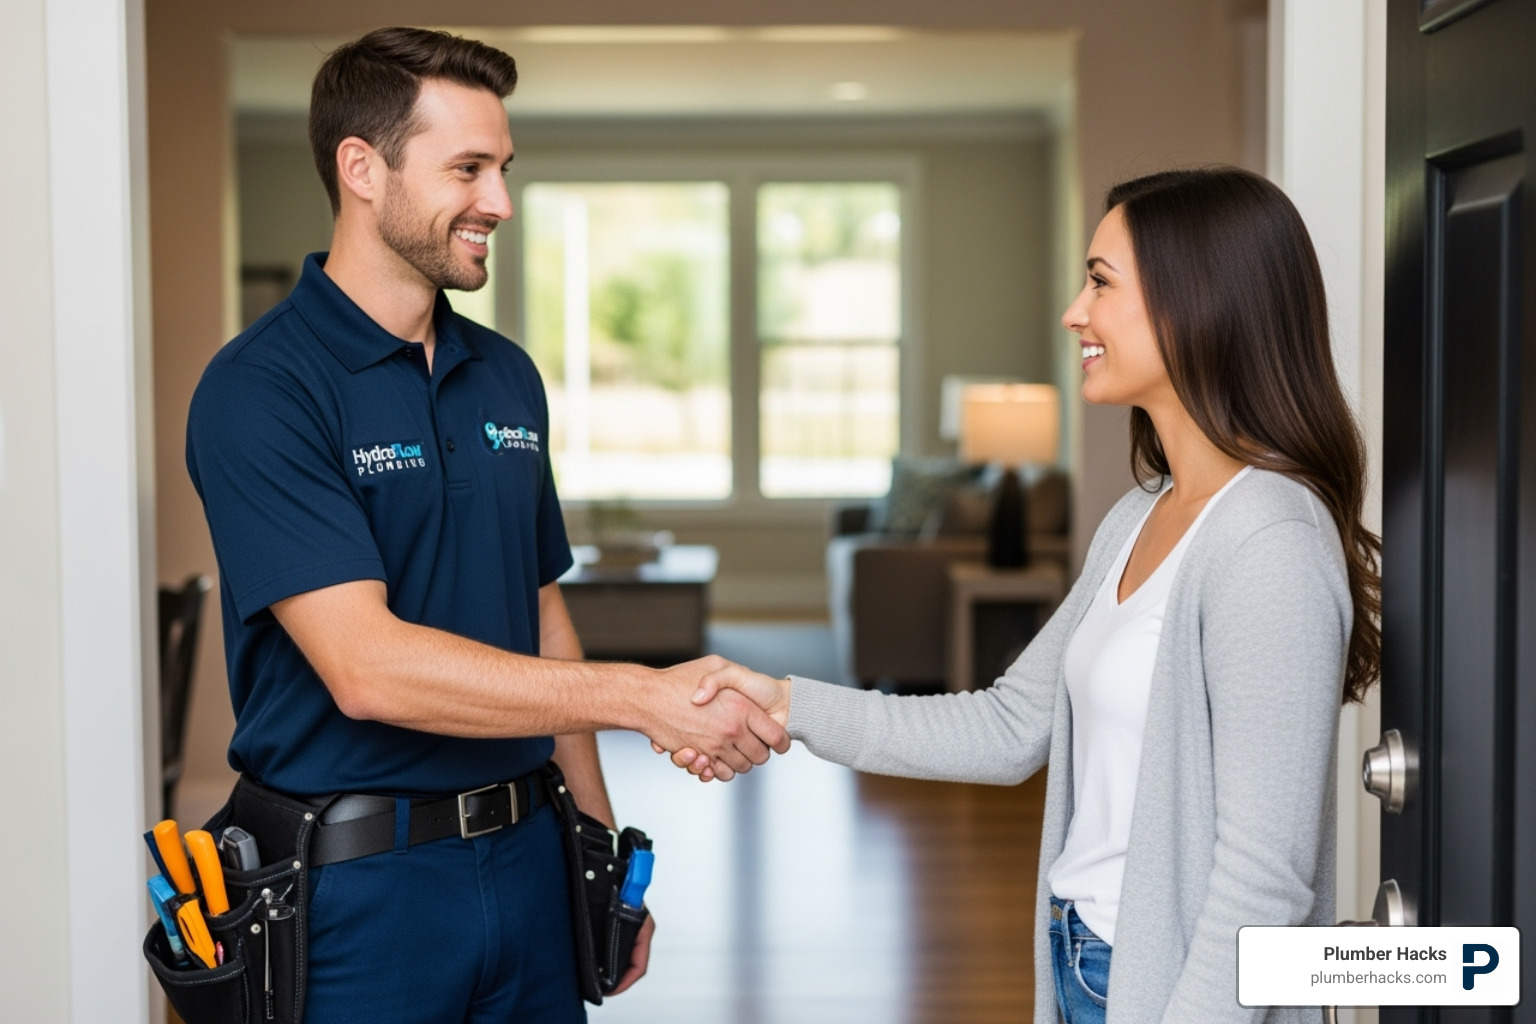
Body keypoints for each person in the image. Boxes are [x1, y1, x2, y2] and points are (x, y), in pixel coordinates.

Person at [672, 167, 1382, 1024]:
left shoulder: (1268, 538)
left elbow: (1263, 880)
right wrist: (786, 704)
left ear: (1197, 304)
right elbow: (1011, 726)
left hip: (1171, 987)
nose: (1073, 311)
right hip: (1083, 956)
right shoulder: (1138, 516)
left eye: (1100, 281)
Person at [186, 26, 786, 1023]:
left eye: (503, 168)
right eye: (468, 168)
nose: (500, 202)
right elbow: (367, 667)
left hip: (526, 857)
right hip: (358, 887)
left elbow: (542, 612)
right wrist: (643, 696)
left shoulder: (505, 373)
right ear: (362, 169)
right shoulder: (263, 388)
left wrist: (595, 847)